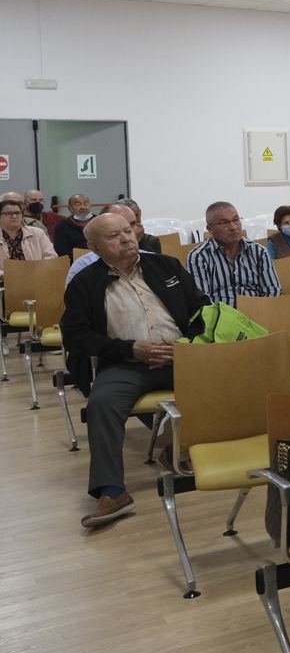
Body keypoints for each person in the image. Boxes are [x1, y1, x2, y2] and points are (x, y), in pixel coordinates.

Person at [62, 212, 207, 528]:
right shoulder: (84, 283)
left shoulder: (166, 266)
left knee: (227, 380)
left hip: (180, 357)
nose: (126, 238)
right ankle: (112, 491)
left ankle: (176, 449)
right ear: (94, 247)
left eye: (128, 231)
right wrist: (131, 349)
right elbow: (76, 336)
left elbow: (202, 309)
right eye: (114, 236)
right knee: (102, 404)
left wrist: (185, 345)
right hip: (125, 364)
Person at [187, 201, 281, 306]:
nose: (233, 227)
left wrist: (261, 311)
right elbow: (202, 301)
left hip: (258, 311)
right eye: (224, 223)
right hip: (220, 314)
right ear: (210, 229)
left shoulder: (259, 252)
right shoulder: (199, 257)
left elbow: (273, 291)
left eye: (236, 220)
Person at [65, 203, 155, 282]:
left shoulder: (155, 261)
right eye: (114, 234)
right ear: (95, 247)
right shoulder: (82, 268)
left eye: (129, 228)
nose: (126, 238)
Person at [0, 197, 57, 281]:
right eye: (9, 213)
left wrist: (37, 270)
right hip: (5, 282)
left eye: (17, 213)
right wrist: (5, 275)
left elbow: (52, 256)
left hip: (37, 279)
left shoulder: (38, 233)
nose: (14, 216)